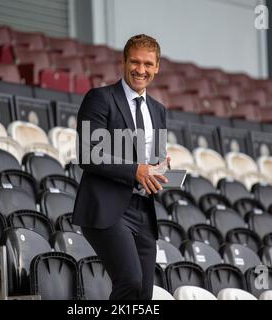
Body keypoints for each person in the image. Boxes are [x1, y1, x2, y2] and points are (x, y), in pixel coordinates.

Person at [72, 34, 169, 300]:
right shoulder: (100, 98)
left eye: (148, 64)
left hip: (143, 212)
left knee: (144, 295)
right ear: (124, 62)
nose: (141, 70)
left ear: (157, 66)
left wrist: (161, 167)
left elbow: (153, 159)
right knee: (130, 282)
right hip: (108, 208)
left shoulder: (159, 110)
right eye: (135, 62)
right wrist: (134, 170)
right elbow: (87, 153)